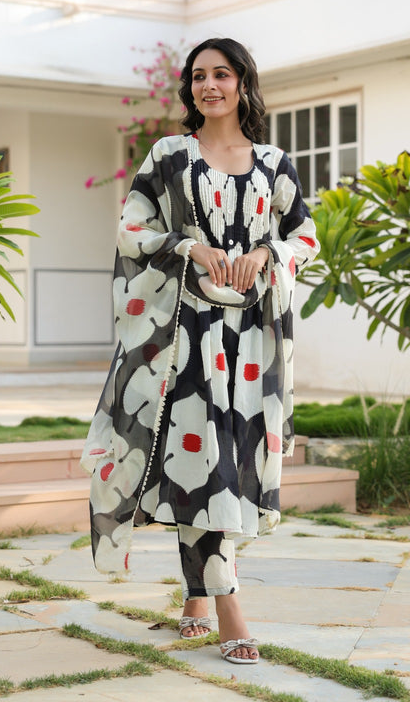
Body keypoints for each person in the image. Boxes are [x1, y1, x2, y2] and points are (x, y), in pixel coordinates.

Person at [81, 37, 320, 665]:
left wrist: (265, 253)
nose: (207, 86)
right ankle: (229, 609)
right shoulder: (170, 156)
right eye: (197, 76)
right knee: (204, 464)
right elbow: (132, 228)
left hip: (251, 341)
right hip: (184, 336)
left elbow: (304, 236)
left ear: (243, 82)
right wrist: (191, 247)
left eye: (221, 74)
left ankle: (194, 596)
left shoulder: (274, 164)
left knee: (232, 464)